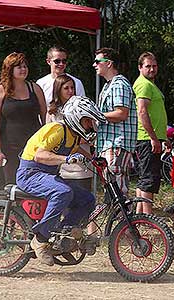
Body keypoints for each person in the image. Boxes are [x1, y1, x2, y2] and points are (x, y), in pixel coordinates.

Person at [16, 96, 107, 266]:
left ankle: (62, 238)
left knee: (87, 200)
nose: (90, 126)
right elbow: (40, 155)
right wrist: (66, 159)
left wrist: (94, 159)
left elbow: (76, 148)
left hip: (46, 175)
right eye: (88, 122)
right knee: (63, 192)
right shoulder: (57, 130)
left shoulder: (72, 136)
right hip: (30, 174)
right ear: (76, 118)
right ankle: (40, 239)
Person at [0, 52, 46, 185]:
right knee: (13, 185)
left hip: (34, 146)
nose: (23, 69)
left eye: (25, 66)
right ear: (10, 69)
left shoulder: (35, 88)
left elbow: (45, 117)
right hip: (10, 147)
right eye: (19, 67)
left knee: (36, 183)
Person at [93, 47, 137, 196]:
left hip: (117, 143)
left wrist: (96, 115)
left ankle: (125, 219)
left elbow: (121, 113)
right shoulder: (108, 85)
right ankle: (119, 218)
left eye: (98, 61)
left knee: (117, 192)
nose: (94, 65)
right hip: (109, 144)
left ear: (109, 63)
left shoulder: (119, 84)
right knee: (112, 191)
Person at [133, 52, 168, 214]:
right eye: (148, 66)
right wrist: (154, 138)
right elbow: (142, 112)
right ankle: (148, 218)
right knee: (148, 179)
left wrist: (163, 137)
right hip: (146, 139)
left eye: (154, 66)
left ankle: (139, 215)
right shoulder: (144, 85)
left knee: (144, 178)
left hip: (151, 138)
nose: (152, 69)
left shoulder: (149, 84)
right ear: (140, 67)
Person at [46, 74, 93, 191]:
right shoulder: (52, 112)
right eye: (66, 88)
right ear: (58, 90)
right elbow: (49, 140)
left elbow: (90, 134)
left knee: (83, 201)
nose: (70, 91)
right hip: (61, 166)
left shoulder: (82, 109)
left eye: (72, 88)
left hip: (81, 166)